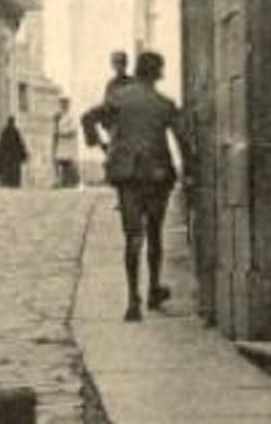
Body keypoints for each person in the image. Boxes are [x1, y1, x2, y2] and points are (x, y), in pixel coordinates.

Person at [82, 50, 191, 323]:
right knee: (154, 233)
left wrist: (102, 145)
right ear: (157, 73)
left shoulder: (118, 97)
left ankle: (133, 300)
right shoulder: (164, 104)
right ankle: (153, 289)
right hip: (156, 175)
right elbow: (183, 140)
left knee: (133, 236)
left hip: (127, 175)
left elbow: (87, 118)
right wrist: (191, 169)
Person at [52, 96, 80, 188]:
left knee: (69, 162)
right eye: (62, 104)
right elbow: (56, 128)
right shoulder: (60, 116)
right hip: (61, 143)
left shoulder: (71, 116)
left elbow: (73, 129)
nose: (63, 106)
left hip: (69, 143)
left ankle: (73, 182)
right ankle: (62, 181)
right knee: (60, 162)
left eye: (65, 104)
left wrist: (61, 132)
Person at [0, 115, 29, 188]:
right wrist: (23, 155)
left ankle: (8, 182)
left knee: (8, 172)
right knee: (12, 173)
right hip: (13, 158)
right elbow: (20, 144)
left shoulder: (6, 131)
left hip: (8, 158)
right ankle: (12, 183)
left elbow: (1, 146)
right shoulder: (15, 131)